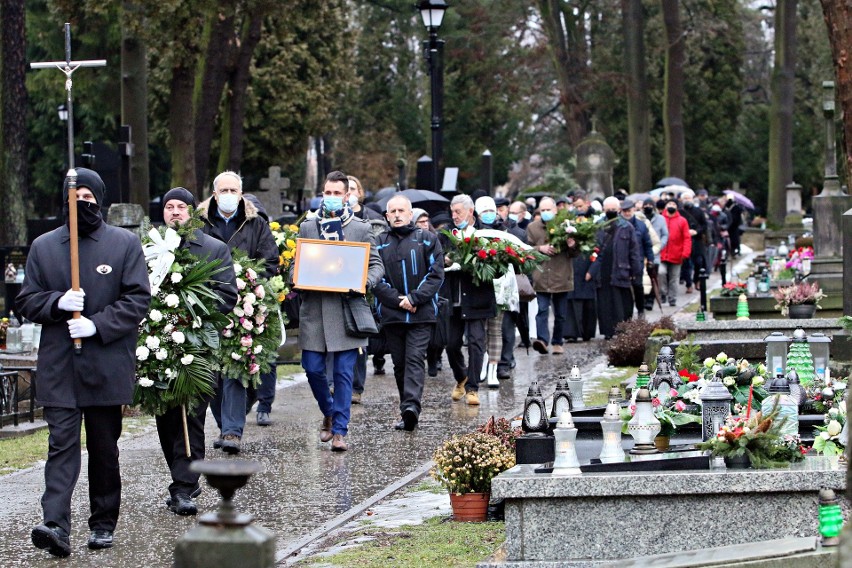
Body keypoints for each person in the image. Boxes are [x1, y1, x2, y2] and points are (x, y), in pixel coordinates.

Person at [18, 168, 151, 556]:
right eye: (76, 198)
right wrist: (56, 302)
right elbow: (26, 300)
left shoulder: (123, 244)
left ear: (100, 200)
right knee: (61, 444)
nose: (82, 205)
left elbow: (137, 299)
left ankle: (103, 521)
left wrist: (97, 324)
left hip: (106, 363)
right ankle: (55, 523)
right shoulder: (44, 246)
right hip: (60, 366)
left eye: (89, 199)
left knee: (104, 448)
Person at [155, 188, 238, 516]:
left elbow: (227, 295)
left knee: (191, 416)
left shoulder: (214, 247)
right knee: (165, 419)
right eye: (169, 207)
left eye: (181, 207)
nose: (175, 212)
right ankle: (180, 476)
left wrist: (192, 311)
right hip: (159, 346)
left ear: (192, 212)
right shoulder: (151, 246)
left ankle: (184, 487)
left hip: (199, 348)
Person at [298, 171, 384, 451]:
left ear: (347, 196)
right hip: (315, 310)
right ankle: (330, 410)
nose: (332, 198)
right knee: (312, 368)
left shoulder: (360, 228)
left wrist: (364, 282)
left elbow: (376, 265)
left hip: (348, 310)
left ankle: (340, 431)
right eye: (328, 193)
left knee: (345, 373)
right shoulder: (308, 227)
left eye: (337, 193)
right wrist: (294, 277)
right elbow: (295, 263)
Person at [199, 170, 279, 454]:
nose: (229, 196)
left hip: (245, 305)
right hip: (210, 304)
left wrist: (248, 280)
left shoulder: (255, 223)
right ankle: (226, 425)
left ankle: (232, 432)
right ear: (214, 194)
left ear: (241, 194)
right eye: (224, 191)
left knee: (235, 367)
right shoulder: (200, 223)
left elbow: (271, 262)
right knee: (214, 373)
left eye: (234, 191)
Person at [374, 195, 443, 430]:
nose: (396, 215)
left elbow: (435, 274)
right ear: (386, 216)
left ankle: (411, 407)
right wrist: (397, 300)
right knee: (400, 363)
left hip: (421, 313)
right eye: (392, 211)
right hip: (393, 314)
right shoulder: (379, 242)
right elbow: (375, 277)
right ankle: (407, 410)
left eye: (401, 210)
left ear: (410, 214)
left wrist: (414, 298)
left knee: (414, 359)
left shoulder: (427, 240)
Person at [440, 194, 496, 406]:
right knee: (451, 344)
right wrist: (445, 259)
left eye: (458, 212)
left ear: (470, 212)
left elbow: (498, 268)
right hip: (453, 298)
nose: (454, 216)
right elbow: (437, 259)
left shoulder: (486, 234)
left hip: (477, 297)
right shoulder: (446, 234)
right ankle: (461, 377)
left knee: (475, 342)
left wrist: (482, 259)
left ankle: (473, 388)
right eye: (452, 212)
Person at [345, 175, 389, 401]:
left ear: (360, 192)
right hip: (339, 282)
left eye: (353, 188)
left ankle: (356, 387)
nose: (349, 192)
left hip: (364, 285)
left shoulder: (373, 219)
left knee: (359, 338)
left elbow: (379, 252)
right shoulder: (331, 218)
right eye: (346, 189)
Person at [240, 194, 278, 426]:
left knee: (266, 355)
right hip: (236, 297)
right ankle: (245, 402)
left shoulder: (261, 227)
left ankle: (265, 403)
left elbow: (270, 261)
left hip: (262, 298)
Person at [526, 197, 576, 354]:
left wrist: (572, 245)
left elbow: (576, 253)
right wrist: (540, 248)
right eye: (542, 210)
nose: (545, 213)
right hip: (541, 277)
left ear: (555, 210)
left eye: (548, 210)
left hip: (561, 276)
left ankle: (557, 341)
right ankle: (542, 340)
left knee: (560, 314)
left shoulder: (566, 226)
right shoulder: (532, 227)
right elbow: (526, 249)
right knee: (541, 310)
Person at [587, 196, 642, 340]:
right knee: (604, 303)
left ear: (618, 209)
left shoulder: (626, 226)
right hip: (602, 270)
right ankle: (607, 331)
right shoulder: (598, 226)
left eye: (613, 209)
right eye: (608, 209)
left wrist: (636, 272)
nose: (611, 211)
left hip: (621, 269)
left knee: (621, 303)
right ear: (604, 209)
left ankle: (622, 328)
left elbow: (634, 251)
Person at [619, 199, 655, 319]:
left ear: (633, 210)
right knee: (625, 289)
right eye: (624, 211)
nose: (627, 214)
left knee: (638, 286)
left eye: (629, 211)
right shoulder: (619, 224)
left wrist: (650, 259)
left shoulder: (641, 225)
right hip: (622, 261)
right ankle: (627, 313)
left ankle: (640, 310)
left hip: (637, 260)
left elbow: (647, 243)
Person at [659, 198, 692, 307]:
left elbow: (687, 237)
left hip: (677, 254)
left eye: (673, 204)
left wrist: (685, 252)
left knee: (674, 278)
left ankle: (672, 298)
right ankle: (663, 293)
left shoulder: (682, 221)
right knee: (661, 272)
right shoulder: (660, 219)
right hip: (661, 253)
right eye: (669, 204)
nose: (671, 206)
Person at [642, 198, 669, 312]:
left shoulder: (660, 219)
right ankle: (644, 298)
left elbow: (665, 235)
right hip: (642, 253)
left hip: (655, 253)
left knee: (653, 276)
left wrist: (660, 246)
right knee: (643, 278)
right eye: (645, 204)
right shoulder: (640, 218)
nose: (648, 206)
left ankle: (650, 300)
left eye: (650, 204)